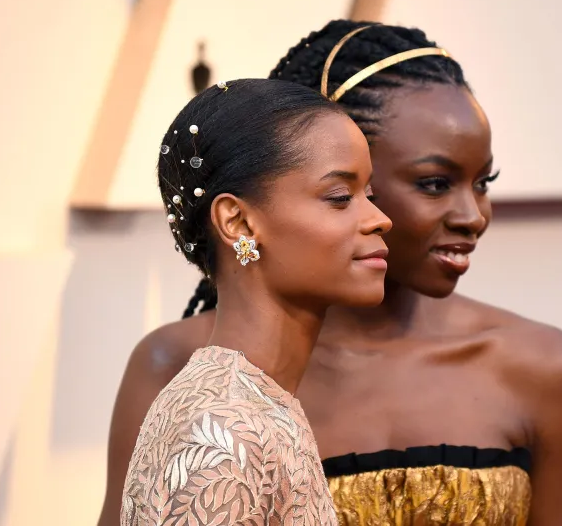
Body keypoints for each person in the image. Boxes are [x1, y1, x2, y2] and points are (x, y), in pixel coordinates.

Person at [101, 21, 562, 526]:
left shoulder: (543, 366)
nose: (473, 216)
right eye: (433, 182)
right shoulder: (203, 389)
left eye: (484, 181)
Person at [119, 78, 391, 526]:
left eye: (369, 195)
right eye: (340, 198)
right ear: (239, 222)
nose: (380, 219)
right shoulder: (221, 430)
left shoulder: (255, 405)